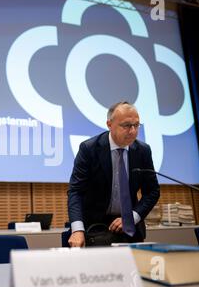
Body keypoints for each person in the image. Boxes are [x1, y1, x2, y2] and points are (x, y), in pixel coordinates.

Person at [67, 101, 160, 247]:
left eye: (136, 125)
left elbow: (152, 191)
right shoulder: (89, 149)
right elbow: (76, 191)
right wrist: (77, 230)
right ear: (109, 124)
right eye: (126, 125)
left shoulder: (143, 151)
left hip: (131, 230)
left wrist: (132, 216)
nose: (133, 131)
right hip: (95, 229)